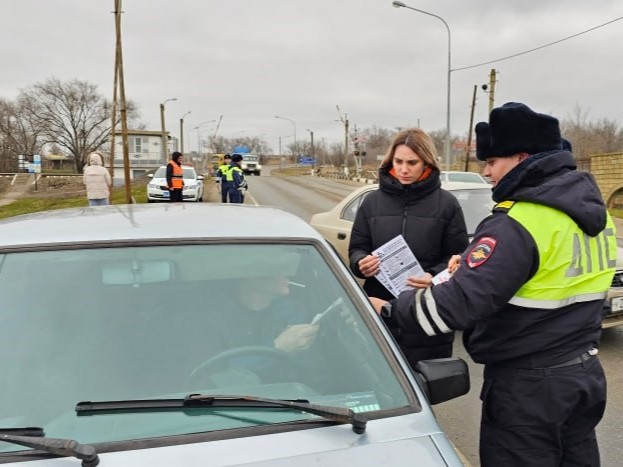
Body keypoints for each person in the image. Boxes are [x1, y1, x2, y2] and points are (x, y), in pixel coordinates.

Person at [369, 102, 617, 466]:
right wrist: (466, 270)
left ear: (521, 157)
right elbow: (542, 276)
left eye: (491, 162)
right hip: (583, 375)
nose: (486, 172)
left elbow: (453, 306)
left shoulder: (517, 221)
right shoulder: (596, 216)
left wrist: (389, 309)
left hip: (530, 388)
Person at [348, 127, 469, 367]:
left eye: (412, 162)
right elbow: (357, 248)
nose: (404, 169)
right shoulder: (372, 202)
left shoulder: (447, 204)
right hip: (378, 309)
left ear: (426, 162)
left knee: (426, 389)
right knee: (378, 383)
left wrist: (433, 276)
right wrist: (361, 263)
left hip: (426, 311)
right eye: (399, 161)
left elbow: (458, 259)